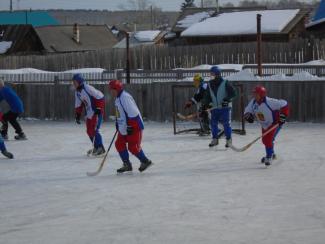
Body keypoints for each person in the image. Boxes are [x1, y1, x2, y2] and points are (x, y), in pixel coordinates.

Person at [108, 79, 152, 173]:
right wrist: (118, 123)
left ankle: (145, 161)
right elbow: (119, 113)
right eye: (110, 90)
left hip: (134, 126)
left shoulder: (125, 97)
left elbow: (134, 113)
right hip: (124, 127)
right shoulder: (118, 98)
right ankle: (127, 164)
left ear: (117, 89)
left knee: (133, 147)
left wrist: (130, 126)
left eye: (112, 90)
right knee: (119, 144)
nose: (111, 92)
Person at [244, 86, 289, 166]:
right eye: (254, 94)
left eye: (256, 94)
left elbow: (284, 103)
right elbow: (248, 109)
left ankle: (269, 156)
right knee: (266, 140)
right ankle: (272, 154)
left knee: (267, 140)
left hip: (274, 123)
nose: (254, 96)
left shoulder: (270, 102)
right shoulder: (253, 102)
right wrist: (248, 115)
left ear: (261, 94)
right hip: (264, 124)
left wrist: (283, 115)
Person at [73, 74, 106, 156]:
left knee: (95, 129)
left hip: (96, 112)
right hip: (89, 113)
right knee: (89, 131)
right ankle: (96, 147)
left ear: (80, 82)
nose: (74, 84)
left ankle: (101, 148)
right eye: (73, 82)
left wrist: (99, 108)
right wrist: (77, 115)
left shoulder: (87, 88)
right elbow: (78, 104)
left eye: (75, 82)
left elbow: (100, 96)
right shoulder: (77, 92)